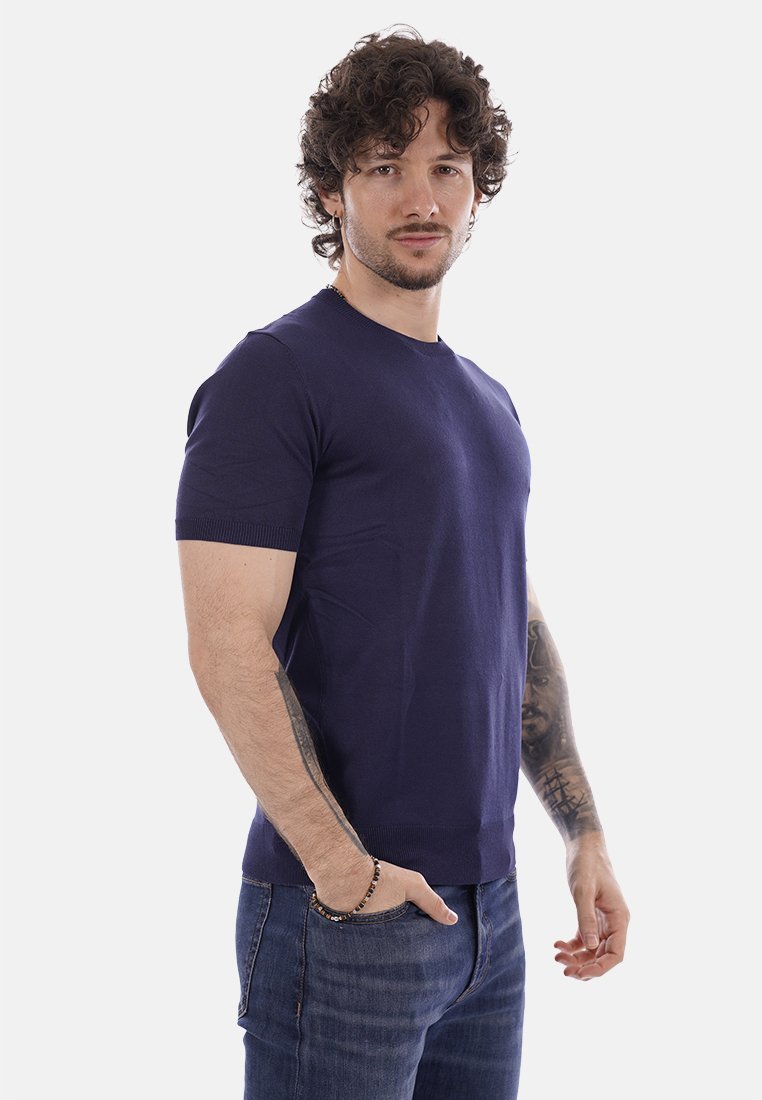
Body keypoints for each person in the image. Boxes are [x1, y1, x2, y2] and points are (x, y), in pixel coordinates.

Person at [175, 25, 630, 1100]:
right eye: (385, 167)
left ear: (478, 189)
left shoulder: (487, 401)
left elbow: (512, 625)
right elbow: (226, 642)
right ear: (332, 191)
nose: (422, 198)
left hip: (489, 915)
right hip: (342, 915)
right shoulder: (274, 375)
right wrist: (342, 868)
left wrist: (582, 830)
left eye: (447, 168)